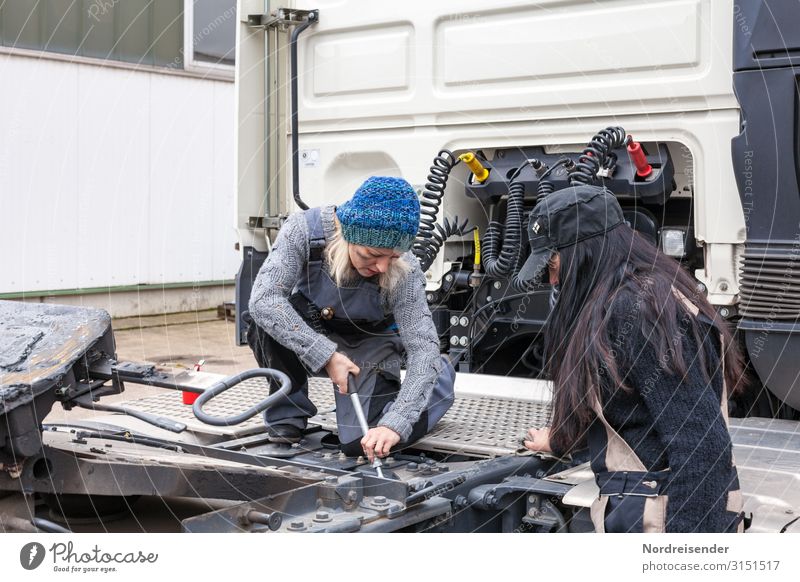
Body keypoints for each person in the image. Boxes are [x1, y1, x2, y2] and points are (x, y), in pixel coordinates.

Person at [518, 184, 745, 533]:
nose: (552, 279)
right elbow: (631, 410)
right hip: (646, 508)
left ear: (586, 251)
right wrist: (562, 439)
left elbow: (703, 448)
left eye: (553, 263)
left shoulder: (636, 311)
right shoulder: (637, 295)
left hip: (667, 518)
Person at [244, 176, 455, 462]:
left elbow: (423, 348)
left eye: (392, 257)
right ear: (347, 235)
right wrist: (326, 355)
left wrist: (397, 423)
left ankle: (441, 378)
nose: (382, 266)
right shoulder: (303, 230)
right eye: (372, 254)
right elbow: (263, 299)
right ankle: (288, 414)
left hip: (368, 345)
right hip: (312, 330)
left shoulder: (406, 268)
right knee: (262, 320)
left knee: (364, 442)